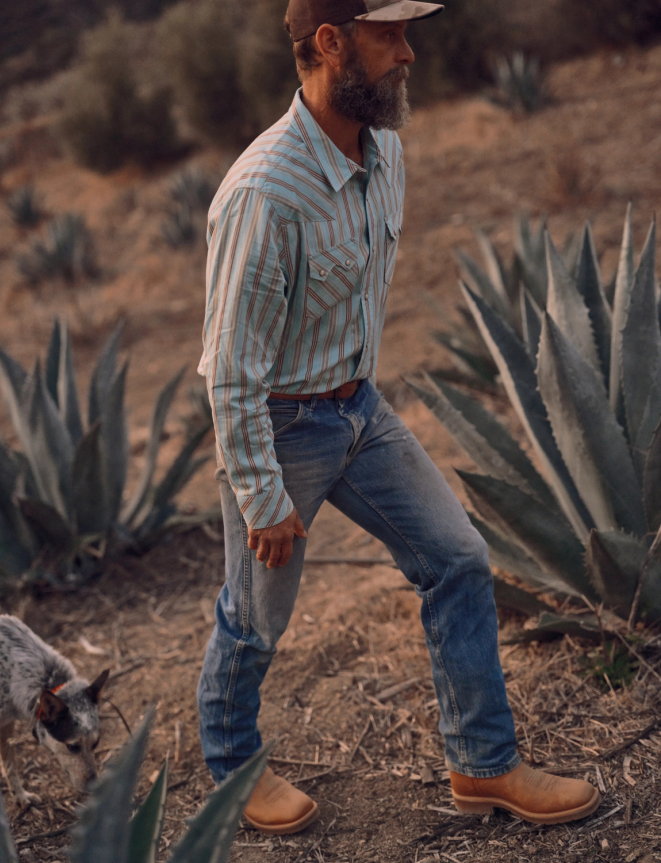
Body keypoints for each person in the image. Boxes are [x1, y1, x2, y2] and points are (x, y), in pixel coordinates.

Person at [196, 0, 601, 835]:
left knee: (457, 557)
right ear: (331, 44)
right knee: (255, 613)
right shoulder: (263, 193)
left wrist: (354, 403)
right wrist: (260, 489)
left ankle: (482, 766)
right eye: (390, 37)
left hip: (360, 412)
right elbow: (231, 367)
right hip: (280, 425)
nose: (409, 54)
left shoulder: (388, 157)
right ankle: (233, 771)